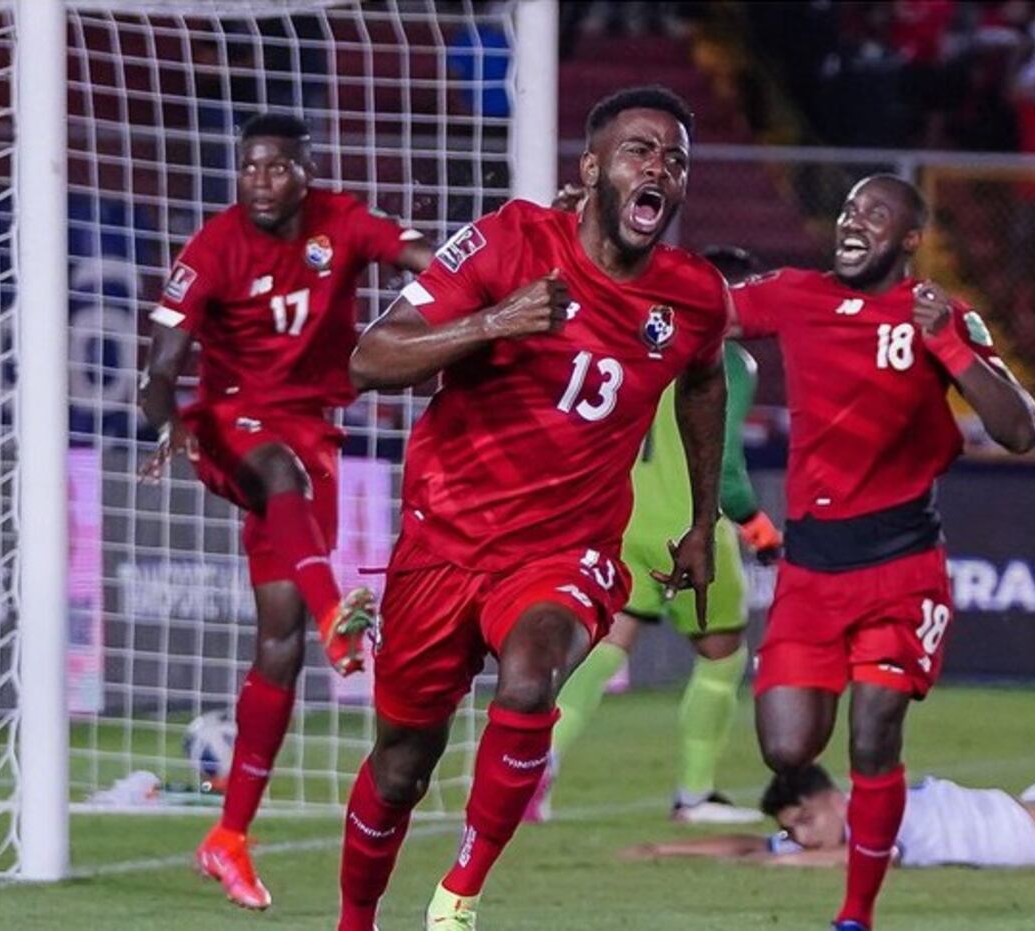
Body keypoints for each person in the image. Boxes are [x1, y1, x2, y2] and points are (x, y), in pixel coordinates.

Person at [335, 85, 731, 931]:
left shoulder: (694, 296)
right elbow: (370, 359)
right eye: (639, 150)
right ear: (592, 169)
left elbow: (703, 380)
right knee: (402, 762)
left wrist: (704, 520)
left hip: (566, 549)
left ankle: (458, 896)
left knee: (529, 674)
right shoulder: (510, 240)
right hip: (444, 544)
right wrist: (492, 322)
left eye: (675, 158)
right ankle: (354, 920)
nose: (660, 166)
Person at [730, 175, 1035, 931]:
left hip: (901, 568)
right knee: (786, 745)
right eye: (845, 209)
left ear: (908, 239)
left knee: (875, 728)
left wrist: (947, 345)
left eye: (874, 213)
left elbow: (1019, 428)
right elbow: (709, 308)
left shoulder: (937, 314)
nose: (851, 222)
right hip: (810, 567)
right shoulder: (795, 294)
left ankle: (856, 914)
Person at [137, 112, 432, 911]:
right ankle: (339, 609)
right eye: (250, 168)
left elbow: (416, 255)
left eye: (276, 168)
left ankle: (227, 835)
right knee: (277, 470)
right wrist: (168, 424)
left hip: (316, 437)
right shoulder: (211, 248)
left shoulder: (342, 219)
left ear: (305, 172)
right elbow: (159, 369)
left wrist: (474, 281)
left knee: (278, 641)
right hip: (228, 427)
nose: (261, 181)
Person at [526, 245, 782, 826]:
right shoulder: (730, 360)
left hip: (624, 521)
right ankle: (695, 795)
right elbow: (730, 467)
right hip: (689, 526)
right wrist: (758, 526)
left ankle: (538, 765)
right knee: (722, 653)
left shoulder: (644, 341)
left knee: (609, 646)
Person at [622, 763, 1035, 871]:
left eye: (803, 820)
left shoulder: (877, 809)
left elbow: (875, 860)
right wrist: (665, 850)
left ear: (831, 798)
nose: (800, 837)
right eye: (792, 829)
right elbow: (754, 845)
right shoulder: (844, 825)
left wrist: (787, 866)